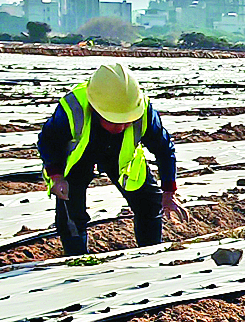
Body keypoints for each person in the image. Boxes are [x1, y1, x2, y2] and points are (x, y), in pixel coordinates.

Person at [37, 62, 180, 258]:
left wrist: (169, 191)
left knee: (149, 202)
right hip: (80, 157)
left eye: (126, 121)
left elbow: (164, 149)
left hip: (122, 157)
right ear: (95, 108)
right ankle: (76, 261)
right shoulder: (72, 109)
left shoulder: (143, 111)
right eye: (112, 120)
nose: (120, 127)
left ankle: (152, 255)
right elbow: (48, 141)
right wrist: (56, 176)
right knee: (70, 210)